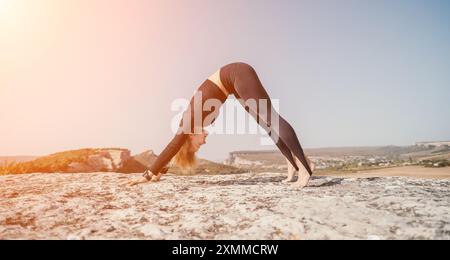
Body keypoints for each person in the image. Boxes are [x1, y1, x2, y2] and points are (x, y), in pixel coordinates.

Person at [129, 62, 314, 188]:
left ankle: (305, 167)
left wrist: (147, 175)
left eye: (197, 145)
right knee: (266, 124)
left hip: (237, 74)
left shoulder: (190, 120)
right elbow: (175, 150)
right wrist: (159, 172)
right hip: (234, 86)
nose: (204, 142)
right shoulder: (193, 123)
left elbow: (173, 146)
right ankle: (293, 163)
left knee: (271, 118)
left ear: (190, 136)